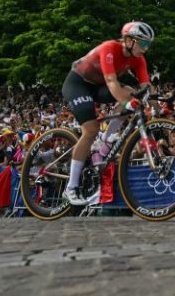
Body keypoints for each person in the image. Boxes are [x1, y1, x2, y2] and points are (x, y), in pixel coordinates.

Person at [61, 21, 154, 205]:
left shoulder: (139, 59)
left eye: (148, 45)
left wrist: (158, 104)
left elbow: (146, 87)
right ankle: (70, 188)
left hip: (97, 87)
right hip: (78, 83)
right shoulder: (109, 48)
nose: (146, 48)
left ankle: (106, 139)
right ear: (129, 40)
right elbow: (111, 82)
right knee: (90, 129)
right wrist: (127, 103)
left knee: (130, 92)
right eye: (143, 44)